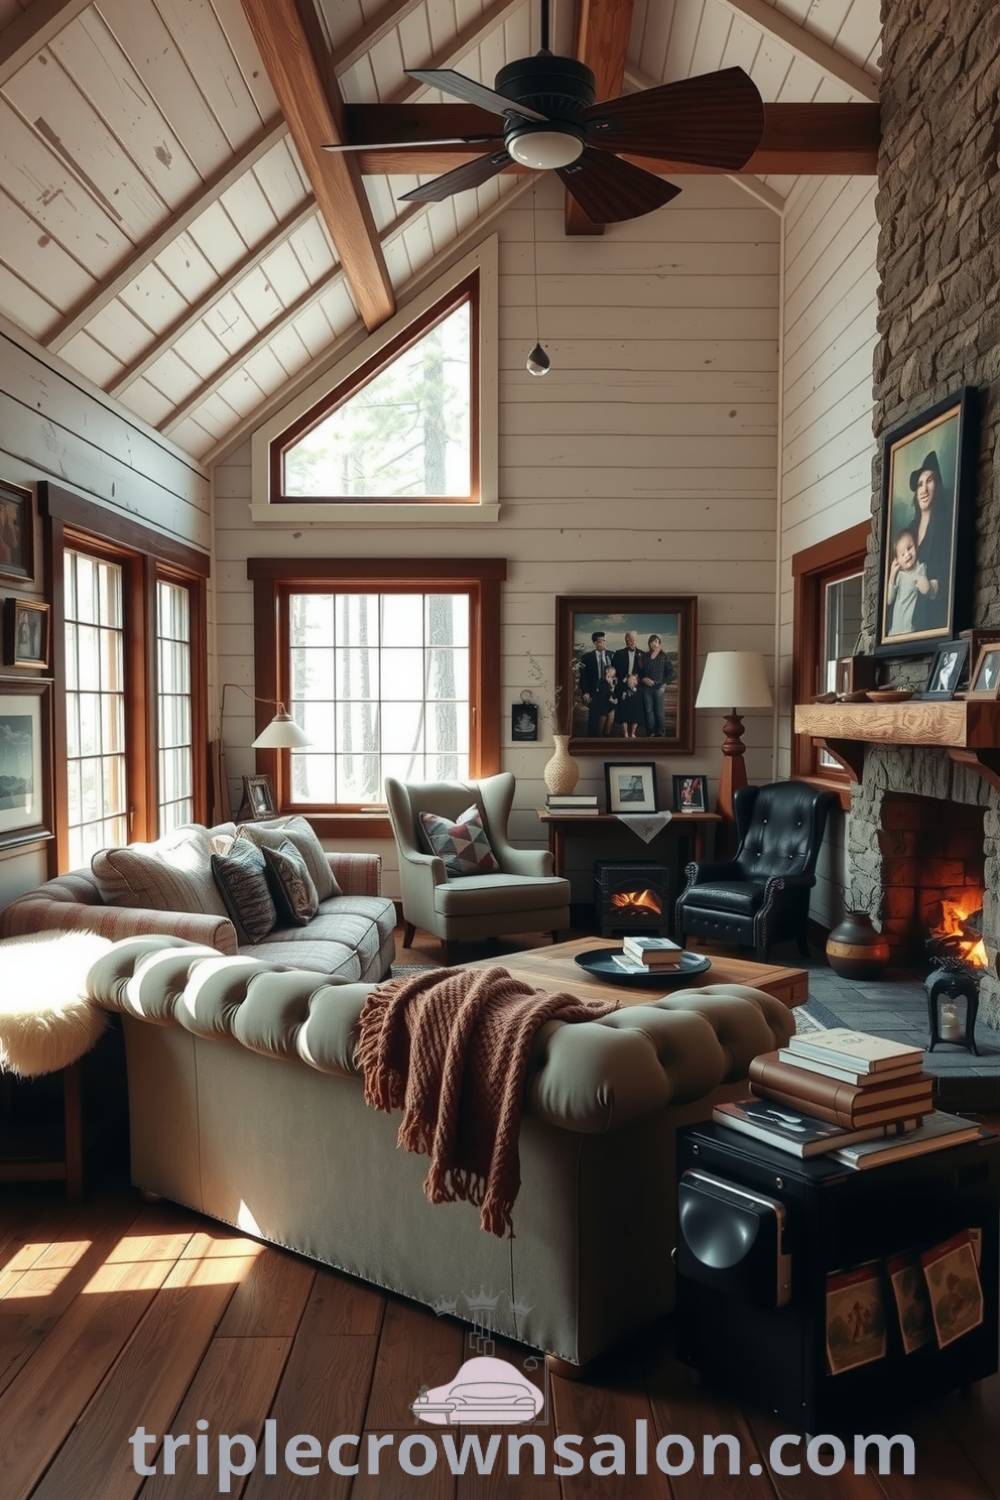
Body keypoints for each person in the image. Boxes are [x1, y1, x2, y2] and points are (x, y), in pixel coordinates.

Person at [908, 449, 952, 633]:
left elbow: (951, 572)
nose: (923, 489)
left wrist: (933, 587)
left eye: (930, 481)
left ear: (938, 485)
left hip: (934, 620)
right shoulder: (909, 529)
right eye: (919, 484)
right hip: (910, 619)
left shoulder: (945, 523)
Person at [886, 527, 928, 636]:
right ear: (897, 560)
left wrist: (922, 581)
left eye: (910, 548)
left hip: (910, 629)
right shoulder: (899, 575)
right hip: (895, 630)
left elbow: (926, 589)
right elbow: (889, 600)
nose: (907, 555)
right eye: (902, 554)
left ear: (916, 546)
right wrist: (892, 575)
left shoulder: (921, 568)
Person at [580, 631, 613, 735]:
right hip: (594, 691)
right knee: (594, 717)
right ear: (595, 643)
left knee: (609, 715)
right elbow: (584, 677)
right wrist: (585, 692)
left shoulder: (611, 655)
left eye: (604, 640)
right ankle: (592, 740)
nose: (603, 643)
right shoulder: (586, 657)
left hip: (608, 691)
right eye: (600, 641)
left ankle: (606, 740)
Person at [639, 633, 672, 736]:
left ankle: (661, 733)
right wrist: (643, 679)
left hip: (659, 689)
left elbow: (672, 672)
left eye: (657, 642)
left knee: (659, 712)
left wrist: (664, 684)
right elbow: (640, 672)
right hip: (646, 689)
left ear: (659, 644)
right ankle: (651, 732)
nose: (654, 643)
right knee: (649, 711)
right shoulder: (644, 656)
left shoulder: (664, 656)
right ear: (649, 643)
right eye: (652, 641)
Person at [593, 664, 619, 736]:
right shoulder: (601, 680)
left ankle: (607, 735)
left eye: (614, 672)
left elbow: (613, 692)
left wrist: (612, 686)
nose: (614, 673)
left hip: (611, 704)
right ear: (607, 671)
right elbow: (602, 693)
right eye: (612, 671)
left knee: (610, 721)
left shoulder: (613, 680)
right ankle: (599, 737)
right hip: (603, 703)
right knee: (602, 722)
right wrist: (610, 697)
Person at [617, 671, 641, 738]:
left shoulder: (638, 688)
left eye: (634, 679)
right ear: (628, 680)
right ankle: (626, 733)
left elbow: (639, 699)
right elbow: (620, 689)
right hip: (625, 707)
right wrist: (626, 678)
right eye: (630, 679)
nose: (632, 681)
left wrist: (634, 689)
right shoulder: (624, 687)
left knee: (636, 718)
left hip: (635, 707)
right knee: (624, 718)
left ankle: (633, 733)